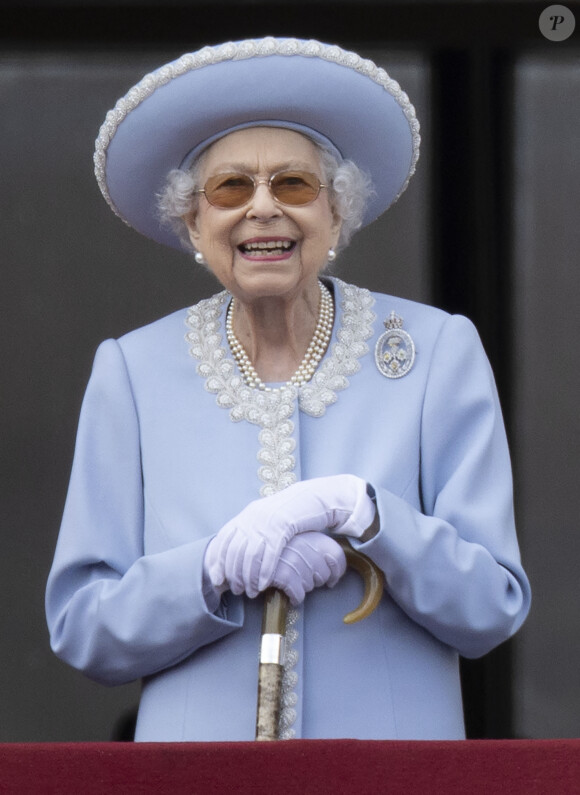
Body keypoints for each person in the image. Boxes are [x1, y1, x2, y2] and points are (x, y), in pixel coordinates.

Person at [45, 36, 531, 742]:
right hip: (196, 779)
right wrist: (208, 569)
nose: (263, 209)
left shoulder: (435, 353)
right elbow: (83, 628)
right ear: (194, 223)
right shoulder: (132, 371)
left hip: (391, 778)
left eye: (295, 185)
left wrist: (366, 514)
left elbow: (491, 607)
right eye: (230, 188)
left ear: (337, 215)